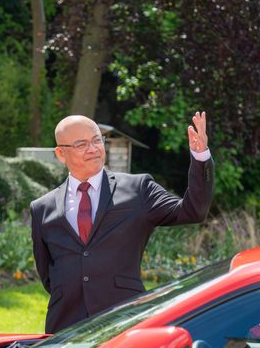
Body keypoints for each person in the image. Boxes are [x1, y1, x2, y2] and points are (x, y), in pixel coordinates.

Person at [31, 112, 214, 334]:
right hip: (64, 325)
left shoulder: (138, 189)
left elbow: (192, 211)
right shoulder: (42, 207)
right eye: (81, 144)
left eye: (97, 140)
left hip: (123, 319)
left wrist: (200, 157)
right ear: (61, 153)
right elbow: (48, 274)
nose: (93, 148)